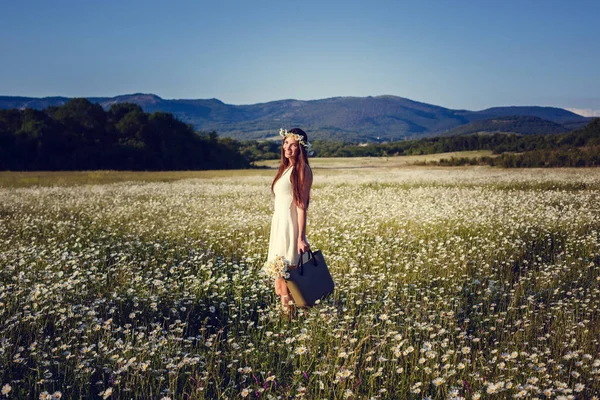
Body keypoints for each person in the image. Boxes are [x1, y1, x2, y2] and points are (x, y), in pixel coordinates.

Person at [266, 128, 313, 313]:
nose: (288, 148)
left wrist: (301, 237)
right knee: (279, 278)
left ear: (301, 148)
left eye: (293, 145)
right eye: (286, 143)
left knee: (289, 277)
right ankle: (287, 315)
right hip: (279, 226)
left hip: (290, 228)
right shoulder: (285, 169)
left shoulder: (302, 170)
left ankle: (290, 317)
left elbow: (302, 206)